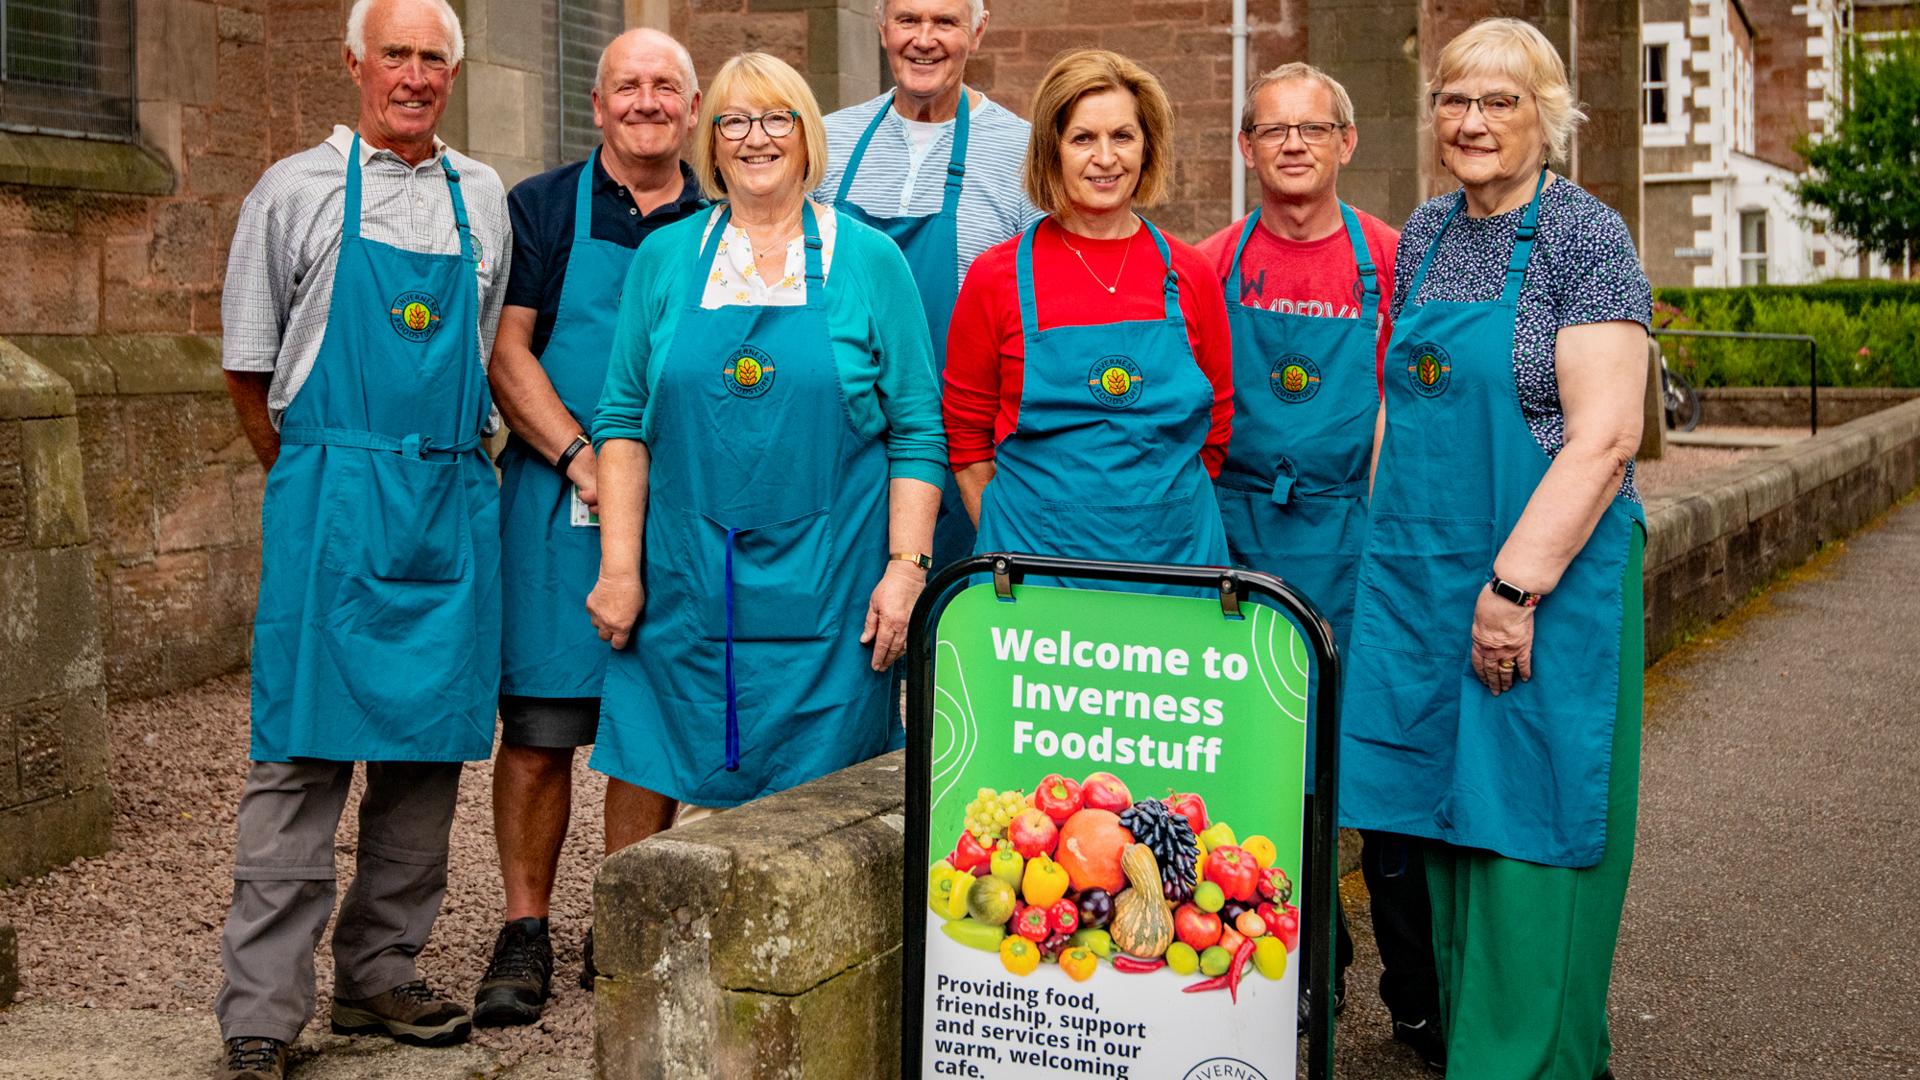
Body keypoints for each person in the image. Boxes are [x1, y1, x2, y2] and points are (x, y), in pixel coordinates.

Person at [1340, 18, 1651, 1080]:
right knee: (1445, 823)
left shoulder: (1586, 237)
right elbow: (1399, 407)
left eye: (1500, 102)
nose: (1472, 123)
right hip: (1426, 578)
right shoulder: (1424, 232)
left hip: (1544, 579)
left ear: (1548, 116)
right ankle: (1479, 1049)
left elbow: (1607, 435)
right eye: (1455, 100)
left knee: (1529, 824)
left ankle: (1546, 1060)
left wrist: (1513, 588)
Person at [212, 0, 511, 1076]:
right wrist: (323, 481)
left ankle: (380, 975)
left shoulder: (482, 198)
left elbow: (476, 353)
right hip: (332, 492)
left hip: (444, 497)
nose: (416, 75)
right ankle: (261, 1011)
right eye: (397, 53)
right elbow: (251, 374)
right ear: (354, 62)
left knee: (427, 755)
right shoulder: (290, 191)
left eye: (435, 57)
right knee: (296, 754)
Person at [586, 54, 944, 821]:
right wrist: (621, 570)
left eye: (776, 117)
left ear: (807, 134)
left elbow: (917, 431)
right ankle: (628, 947)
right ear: (711, 142)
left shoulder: (872, 262)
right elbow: (621, 421)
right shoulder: (665, 258)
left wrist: (907, 570)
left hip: (832, 600)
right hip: (685, 588)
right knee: (652, 766)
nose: (757, 138)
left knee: (823, 824)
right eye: (734, 121)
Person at [1197, 63, 1440, 1067]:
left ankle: (1421, 1001)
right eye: (1272, 130)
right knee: (1268, 786)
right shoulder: (1208, 263)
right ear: (1248, 148)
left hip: (1362, 544)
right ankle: (1306, 984)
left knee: (1381, 793)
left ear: (1348, 142)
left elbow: (1429, 409)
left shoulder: (1397, 260)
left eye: (1313, 128)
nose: (1292, 145)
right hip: (1243, 539)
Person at [473, 29, 707, 1026]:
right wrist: (584, 459)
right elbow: (507, 349)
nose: (646, 102)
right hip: (556, 502)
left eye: (665, 87)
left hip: (681, 508)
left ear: (691, 110)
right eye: (628, 87)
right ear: (599, 105)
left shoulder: (722, 220)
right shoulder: (539, 209)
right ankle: (525, 927)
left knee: (643, 729)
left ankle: (623, 918)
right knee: (537, 730)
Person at [944, 48, 1232, 584]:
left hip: (1178, 568)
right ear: (1052, 152)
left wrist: (1153, 516)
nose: (1106, 158)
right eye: (1083, 138)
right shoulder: (997, 276)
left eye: (1123, 136)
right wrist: (1016, 545)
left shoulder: (1191, 273)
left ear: (1147, 147)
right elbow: (966, 439)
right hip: (1035, 576)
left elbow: (1215, 429)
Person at [819, 0, 1040, 568]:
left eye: (945, 22)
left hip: (964, 457)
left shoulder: (1026, 153)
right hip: (840, 449)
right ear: (881, 26)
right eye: (908, 20)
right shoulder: (826, 143)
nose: (924, 39)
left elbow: (1041, 314)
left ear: (979, 31)